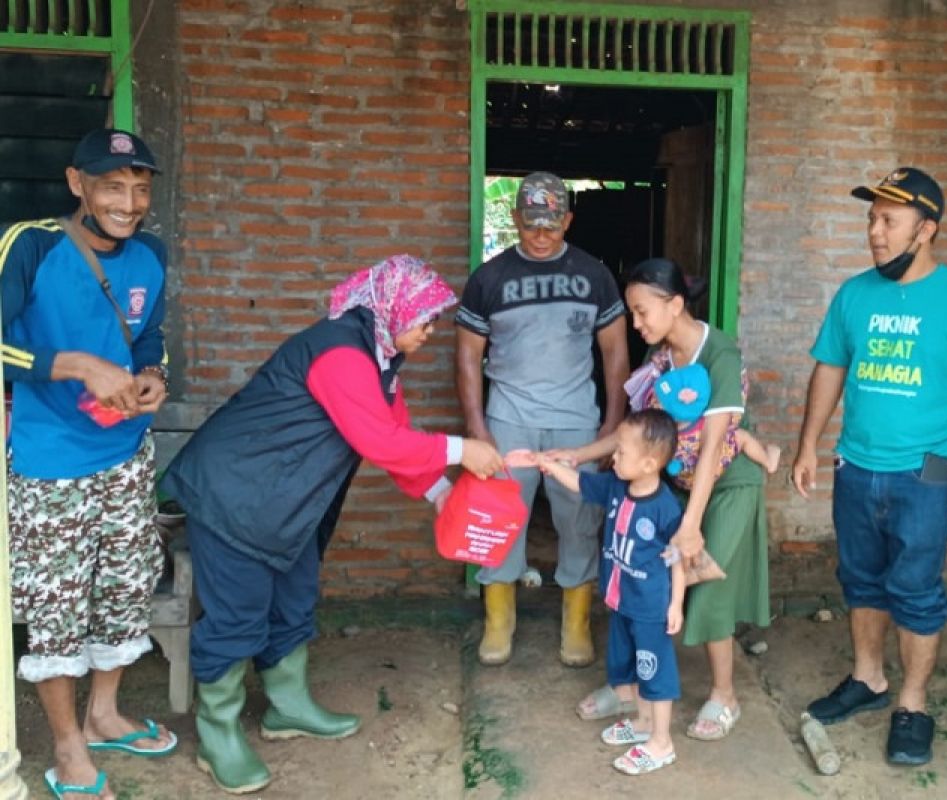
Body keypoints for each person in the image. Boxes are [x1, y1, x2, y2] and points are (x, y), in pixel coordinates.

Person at [160, 255, 504, 794]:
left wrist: (440, 493)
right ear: (393, 309)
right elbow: (380, 442)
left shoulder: (380, 355)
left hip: (290, 502)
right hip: (237, 494)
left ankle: (287, 706)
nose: (430, 332)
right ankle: (218, 733)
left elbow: (396, 435)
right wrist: (465, 450)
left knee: (294, 599)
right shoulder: (340, 353)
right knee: (238, 615)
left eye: (434, 320)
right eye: (425, 319)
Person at [790, 167, 947, 765]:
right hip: (857, 463)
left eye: (889, 221)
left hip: (931, 469)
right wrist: (808, 444)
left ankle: (912, 702)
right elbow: (830, 367)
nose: (875, 233)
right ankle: (868, 679)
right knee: (860, 577)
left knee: (914, 586)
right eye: (871, 220)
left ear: (926, 229)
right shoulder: (855, 294)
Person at [1, 128, 176, 800]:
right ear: (78, 183)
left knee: (124, 588)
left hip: (126, 455)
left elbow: (150, 332)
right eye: (111, 185)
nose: (128, 202)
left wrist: (152, 372)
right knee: (57, 608)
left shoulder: (150, 255)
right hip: (47, 465)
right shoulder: (32, 245)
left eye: (139, 188)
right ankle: (67, 747)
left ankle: (103, 716)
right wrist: (74, 364)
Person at [560, 257, 770, 741]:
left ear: (674, 305)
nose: (635, 324)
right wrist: (576, 453)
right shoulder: (660, 361)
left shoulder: (720, 354)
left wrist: (690, 526)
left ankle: (724, 695)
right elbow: (635, 436)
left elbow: (716, 445)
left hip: (728, 484)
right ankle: (630, 688)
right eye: (632, 313)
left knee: (709, 582)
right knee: (643, 580)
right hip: (682, 483)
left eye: (641, 312)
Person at [455, 171, 630, 667]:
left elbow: (615, 352)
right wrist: (477, 429)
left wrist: (612, 425)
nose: (540, 234)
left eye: (551, 225)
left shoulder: (594, 275)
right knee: (500, 516)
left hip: (577, 419)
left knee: (579, 518)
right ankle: (498, 617)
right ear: (514, 218)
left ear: (568, 220)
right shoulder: (489, 278)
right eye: (531, 223)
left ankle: (575, 621)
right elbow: (468, 357)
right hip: (508, 417)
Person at [537, 409, 685, 775]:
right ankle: (643, 723)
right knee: (628, 669)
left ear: (649, 463)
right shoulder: (616, 486)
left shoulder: (667, 508)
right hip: (621, 601)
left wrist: (676, 603)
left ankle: (662, 743)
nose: (613, 457)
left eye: (621, 452)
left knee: (655, 674)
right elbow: (579, 484)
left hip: (650, 609)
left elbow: (680, 559)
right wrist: (549, 464)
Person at [646, 362, 782, 487]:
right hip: (708, 472)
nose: (655, 404)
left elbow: (672, 463)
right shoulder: (707, 421)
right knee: (742, 437)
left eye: (659, 403)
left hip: (684, 480)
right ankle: (769, 462)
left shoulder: (667, 432)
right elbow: (736, 399)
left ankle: (769, 463)